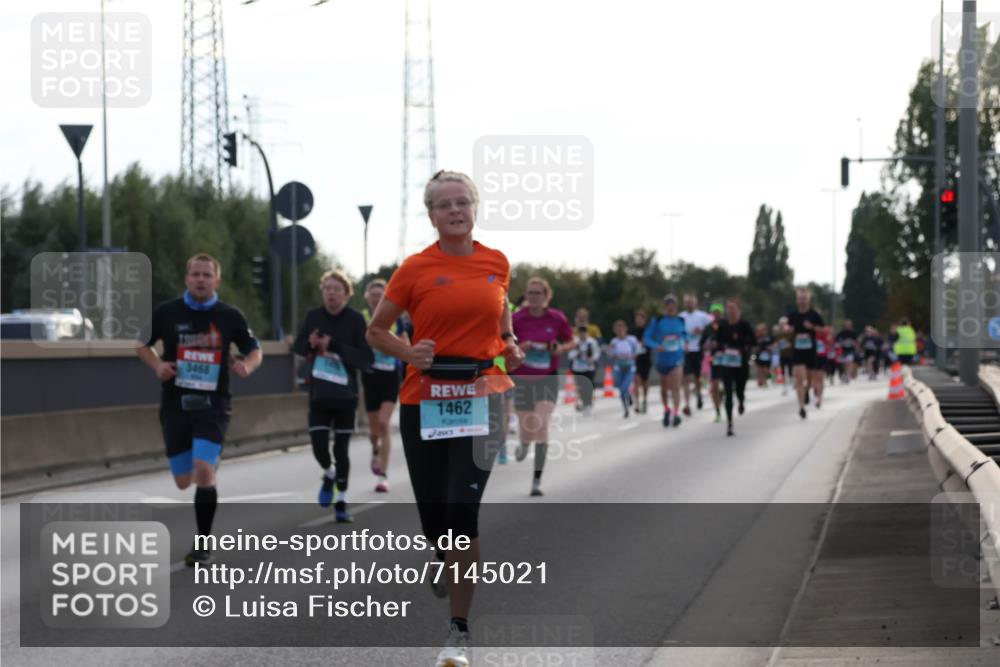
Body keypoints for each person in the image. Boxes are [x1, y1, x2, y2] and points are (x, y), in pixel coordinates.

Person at [366, 169, 524, 667]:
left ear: (474, 208)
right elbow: (376, 332)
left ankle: (458, 632)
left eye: (462, 202)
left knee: (463, 513)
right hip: (425, 401)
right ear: (432, 215)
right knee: (437, 517)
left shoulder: (496, 263)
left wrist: (511, 344)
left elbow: (502, 319)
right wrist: (410, 353)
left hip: (482, 395)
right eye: (444, 205)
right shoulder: (414, 268)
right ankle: (444, 555)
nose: (455, 210)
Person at [137, 253, 263, 566]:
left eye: (207, 275)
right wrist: (157, 365)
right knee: (183, 479)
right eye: (196, 274)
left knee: (204, 471)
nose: (201, 280)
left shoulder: (229, 316)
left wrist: (246, 366)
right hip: (176, 404)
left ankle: (203, 543)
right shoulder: (167, 312)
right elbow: (141, 344)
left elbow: (255, 350)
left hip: (214, 404)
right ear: (186, 278)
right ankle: (204, 466)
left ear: (217, 280)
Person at [295, 270, 373, 522]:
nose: (331, 293)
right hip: (319, 394)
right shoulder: (313, 316)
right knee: (319, 447)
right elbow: (297, 347)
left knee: (342, 450)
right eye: (327, 288)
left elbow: (366, 359)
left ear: (346, 294)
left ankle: (342, 502)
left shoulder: (355, 320)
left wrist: (335, 347)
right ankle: (329, 474)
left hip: (345, 396)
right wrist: (310, 344)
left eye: (336, 289)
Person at [512, 277, 575, 496]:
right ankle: (523, 443)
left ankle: (536, 481)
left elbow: (571, 341)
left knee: (541, 425)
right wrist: (521, 347)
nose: (534, 297)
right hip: (521, 378)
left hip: (547, 377)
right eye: (530, 293)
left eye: (538, 293)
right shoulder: (516, 318)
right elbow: (504, 344)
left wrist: (560, 349)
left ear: (546, 296)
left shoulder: (557, 318)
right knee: (527, 428)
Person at [361, 279, 409, 492]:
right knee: (373, 431)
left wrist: (397, 347)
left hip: (391, 375)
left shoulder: (394, 319)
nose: (376, 298)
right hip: (370, 376)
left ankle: (383, 475)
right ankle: (375, 449)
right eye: (373, 294)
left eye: (381, 295)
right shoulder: (361, 318)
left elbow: (405, 344)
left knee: (383, 423)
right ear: (367, 297)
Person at [712, 299, 755, 436]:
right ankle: (730, 423)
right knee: (728, 392)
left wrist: (742, 345)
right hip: (727, 364)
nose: (731, 310)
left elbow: (753, 340)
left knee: (739, 390)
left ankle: (741, 400)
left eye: (733, 308)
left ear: (739, 310)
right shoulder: (723, 325)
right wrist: (717, 346)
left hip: (741, 364)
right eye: (729, 308)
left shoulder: (744, 324)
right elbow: (717, 341)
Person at [644, 294, 687, 427]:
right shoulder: (657, 320)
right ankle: (666, 409)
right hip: (662, 359)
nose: (670, 306)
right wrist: (657, 346)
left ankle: (675, 413)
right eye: (668, 304)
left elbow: (685, 335)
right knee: (664, 389)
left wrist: (685, 343)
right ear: (665, 306)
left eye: (673, 304)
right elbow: (647, 337)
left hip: (677, 358)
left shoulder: (681, 320)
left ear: (676, 306)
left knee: (675, 387)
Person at [788, 287, 825, 419]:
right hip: (797, 351)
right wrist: (787, 330)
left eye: (804, 298)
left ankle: (807, 391)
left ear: (808, 299)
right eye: (800, 298)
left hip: (811, 351)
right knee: (799, 378)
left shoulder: (814, 315)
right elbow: (787, 330)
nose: (802, 301)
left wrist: (813, 327)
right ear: (797, 300)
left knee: (808, 381)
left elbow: (823, 330)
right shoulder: (792, 315)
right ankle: (801, 407)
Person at [680, 293, 712, 415]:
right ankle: (687, 404)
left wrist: (702, 331)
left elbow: (713, 328)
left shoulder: (703, 316)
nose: (689, 304)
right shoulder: (680, 317)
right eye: (687, 302)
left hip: (699, 349)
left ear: (695, 303)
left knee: (697, 377)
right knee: (686, 378)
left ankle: (699, 394)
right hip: (686, 350)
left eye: (691, 302)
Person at [607, 319, 640, 418]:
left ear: (625, 329)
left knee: (625, 386)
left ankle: (629, 396)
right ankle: (625, 408)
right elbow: (611, 354)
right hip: (619, 366)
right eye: (618, 329)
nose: (620, 331)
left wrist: (631, 356)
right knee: (620, 389)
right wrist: (612, 352)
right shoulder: (614, 341)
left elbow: (637, 351)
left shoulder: (632, 339)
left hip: (630, 366)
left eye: (622, 329)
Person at [699, 303, 725, 422]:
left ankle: (724, 394)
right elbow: (701, 343)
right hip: (714, 359)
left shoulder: (727, 325)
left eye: (718, 311)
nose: (716, 314)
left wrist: (720, 344)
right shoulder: (708, 327)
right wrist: (707, 346)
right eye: (714, 312)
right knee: (714, 386)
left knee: (726, 385)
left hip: (727, 359)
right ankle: (717, 412)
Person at [567, 324, 601, 416]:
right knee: (581, 388)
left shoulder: (592, 342)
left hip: (589, 367)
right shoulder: (575, 342)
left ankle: (588, 404)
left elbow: (597, 353)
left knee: (589, 386)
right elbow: (570, 355)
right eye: (581, 332)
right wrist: (577, 353)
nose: (582, 334)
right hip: (578, 368)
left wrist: (592, 359)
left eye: (584, 332)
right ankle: (585, 403)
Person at [629, 309, 652, 413]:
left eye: (640, 319)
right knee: (636, 380)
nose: (638, 321)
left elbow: (652, 342)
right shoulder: (632, 332)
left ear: (644, 320)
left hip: (646, 358)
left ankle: (645, 399)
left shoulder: (648, 331)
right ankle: (637, 402)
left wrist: (645, 342)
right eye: (636, 319)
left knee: (645, 381)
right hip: (636, 359)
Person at [774, 316, 794, 395]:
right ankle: (785, 387)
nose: (782, 325)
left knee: (790, 370)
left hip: (790, 353)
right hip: (781, 354)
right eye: (781, 324)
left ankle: (792, 384)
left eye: (784, 323)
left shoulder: (791, 332)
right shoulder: (778, 332)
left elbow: (794, 341)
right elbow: (775, 341)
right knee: (782, 371)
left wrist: (790, 344)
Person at [753, 322, 773, 388]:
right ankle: (762, 381)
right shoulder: (756, 337)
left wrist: (771, 347)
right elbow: (753, 345)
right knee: (760, 369)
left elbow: (775, 343)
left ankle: (765, 380)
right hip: (759, 355)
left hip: (767, 355)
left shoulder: (769, 337)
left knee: (766, 370)